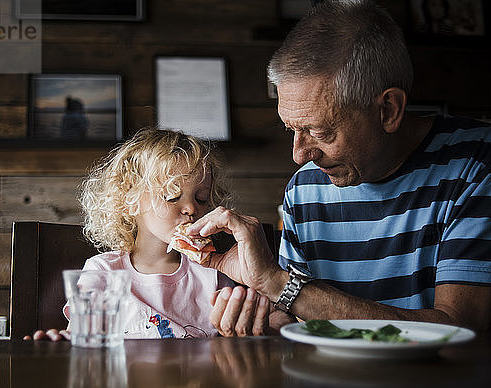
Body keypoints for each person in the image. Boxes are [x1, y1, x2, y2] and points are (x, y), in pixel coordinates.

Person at [188, 0, 491, 335]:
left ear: (388, 110)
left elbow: (462, 331)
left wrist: (277, 283)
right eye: (292, 130)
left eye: (320, 131)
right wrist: (261, 317)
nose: (299, 155)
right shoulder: (305, 188)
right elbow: (298, 313)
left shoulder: (477, 165)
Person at [25, 128, 270, 341]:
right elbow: (80, 334)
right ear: (129, 199)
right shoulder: (102, 272)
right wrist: (63, 339)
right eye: (172, 196)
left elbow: (238, 334)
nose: (191, 209)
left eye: (201, 198)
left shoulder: (213, 274)